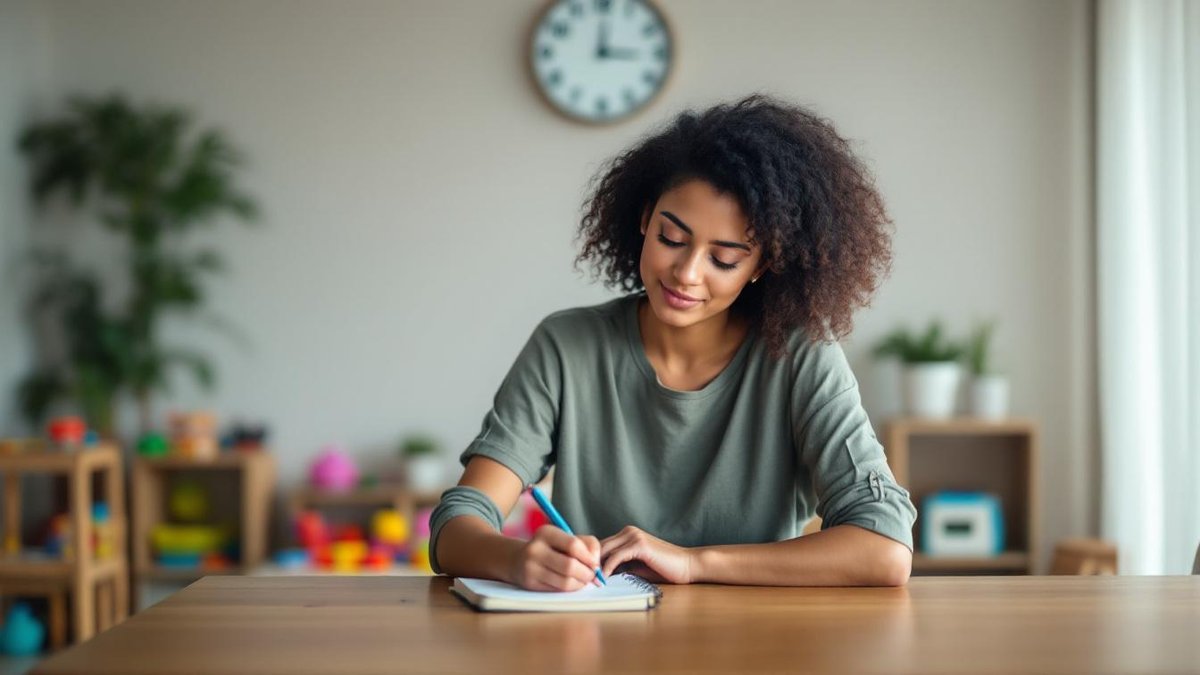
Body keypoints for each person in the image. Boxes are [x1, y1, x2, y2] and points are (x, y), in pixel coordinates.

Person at [430, 95, 917, 590]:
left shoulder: (799, 357)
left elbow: (885, 547)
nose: (686, 273)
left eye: (724, 259)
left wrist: (693, 562)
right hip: (599, 641)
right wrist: (514, 560)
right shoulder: (567, 346)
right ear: (644, 219)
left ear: (762, 266)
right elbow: (458, 523)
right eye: (671, 238)